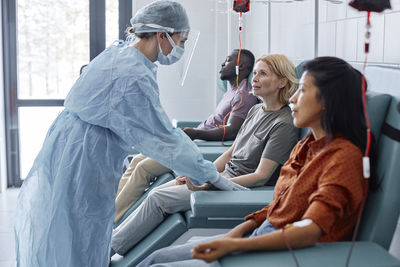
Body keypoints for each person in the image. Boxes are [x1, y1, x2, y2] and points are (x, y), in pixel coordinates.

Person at [14, 1, 246, 267]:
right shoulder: (132, 74)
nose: (180, 48)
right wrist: (208, 173)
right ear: (162, 35)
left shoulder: (122, 56)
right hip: (85, 155)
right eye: (180, 41)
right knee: (80, 229)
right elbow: (164, 138)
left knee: (73, 226)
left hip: (74, 144)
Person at [137, 56, 375, 267]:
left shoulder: (342, 159)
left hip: (286, 251)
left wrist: (233, 246)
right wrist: (238, 232)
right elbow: (281, 206)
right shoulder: (306, 146)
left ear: (328, 100)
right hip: (261, 233)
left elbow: (309, 230)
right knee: (156, 258)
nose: (293, 98)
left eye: (302, 90)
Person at [111, 54, 299, 255]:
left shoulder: (284, 124)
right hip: (222, 178)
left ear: (282, 82)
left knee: (159, 198)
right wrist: (204, 175)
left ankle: (108, 250)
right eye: (255, 73)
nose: (254, 79)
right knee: (154, 194)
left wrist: (213, 184)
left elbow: (261, 176)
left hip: (235, 185)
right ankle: (111, 239)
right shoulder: (255, 110)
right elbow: (230, 153)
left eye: (263, 74)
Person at [114, 49, 258, 223]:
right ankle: (112, 208)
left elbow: (233, 131)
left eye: (227, 61)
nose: (222, 64)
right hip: (190, 144)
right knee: (137, 159)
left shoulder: (244, 96)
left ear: (240, 66)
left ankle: (115, 219)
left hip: (200, 150)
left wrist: (195, 133)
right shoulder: (231, 92)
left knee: (143, 168)